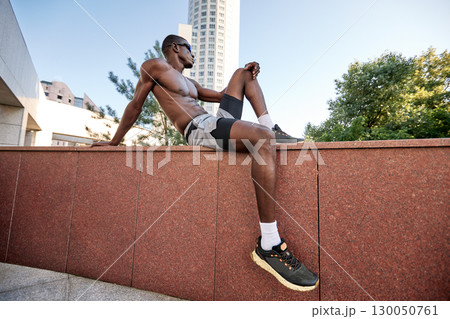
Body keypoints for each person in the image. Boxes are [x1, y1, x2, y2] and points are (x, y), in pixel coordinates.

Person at [93, 34, 318, 291]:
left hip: (212, 122)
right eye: (190, 49)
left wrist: (251, 70)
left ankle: (270, 127)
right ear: (175, 48)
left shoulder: (190, 83)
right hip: (198, 129)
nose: (193, 54)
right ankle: (269, 244)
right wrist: (113, 142)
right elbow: (135, 105)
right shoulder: (154, 66)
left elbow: (222, 95)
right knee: (263, 139)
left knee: (243, 74)